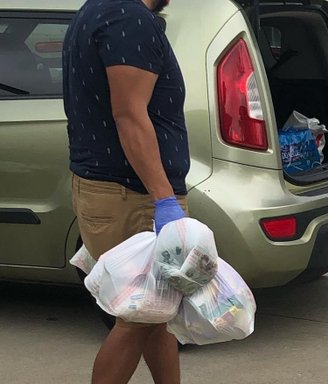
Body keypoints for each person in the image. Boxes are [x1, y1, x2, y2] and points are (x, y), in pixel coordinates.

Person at [63, 0, 188, 383]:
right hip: (134, 195)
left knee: (154, 315)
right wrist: (164, 199)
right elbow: (129, 115)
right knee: (137, 317)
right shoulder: (129, 18)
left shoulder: (96, 10)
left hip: (113, 189)